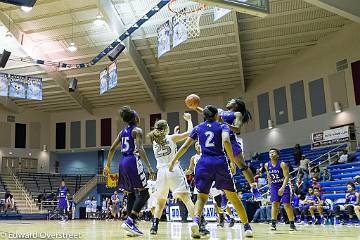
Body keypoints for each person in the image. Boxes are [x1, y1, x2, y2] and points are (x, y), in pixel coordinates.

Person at [169, 105, 253, 238]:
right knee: (233, 197)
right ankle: (247, 227)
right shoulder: (222, 126)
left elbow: (185, 146)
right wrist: (231, 160)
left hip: (203, 164)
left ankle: (196, 220)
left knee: (201, 197)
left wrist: (173, 160)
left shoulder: (198, 128)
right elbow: (226, 141)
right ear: (216, 116)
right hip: (220, 162)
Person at [192, 98, 261, 199]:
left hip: (230, 140)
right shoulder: (219, 111)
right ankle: (223, 194)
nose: (229, 101)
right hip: (217, 143)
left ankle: (254, 188)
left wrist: (224, 123)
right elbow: (205, 112)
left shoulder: (237, 114)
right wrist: (194, 107)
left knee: (243, 166)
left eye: (232, 100)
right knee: (220, 169)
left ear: (236, 105)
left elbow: (237, 129)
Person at [104, 106, 156, 236]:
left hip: (122, 162)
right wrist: (149, 167)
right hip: (133, 161)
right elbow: (140, 149)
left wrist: (108, 166)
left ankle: (131, 225)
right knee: (145, 193)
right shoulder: (137, 130)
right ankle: (130, 221)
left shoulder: (122, 132)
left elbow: (111, 149)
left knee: (131, 193)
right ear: (135, 118)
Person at [148, 113, 195, 234]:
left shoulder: (155, 141)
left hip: (161, 173)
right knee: (186, 198)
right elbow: (190, 132)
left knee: (161, 202)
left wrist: (174, 132)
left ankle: (154, 227)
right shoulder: (171, 138)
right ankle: (198, 223)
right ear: (164, 129)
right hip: (173, 169)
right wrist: (189, 120)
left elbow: (168, 141)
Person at [265, 148, 296, 231]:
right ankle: (273, 223)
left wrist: (282, 187)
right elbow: (268, 176)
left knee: (286, 204)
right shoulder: (267, 165)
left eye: (273, 152)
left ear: (277, 155)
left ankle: (292, 224)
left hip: (284, 185)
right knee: (274, 204)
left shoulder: (282, 164)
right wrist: (269, 187)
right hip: (274, 186)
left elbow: (287, 177)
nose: (271, 154)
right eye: (270, 153)